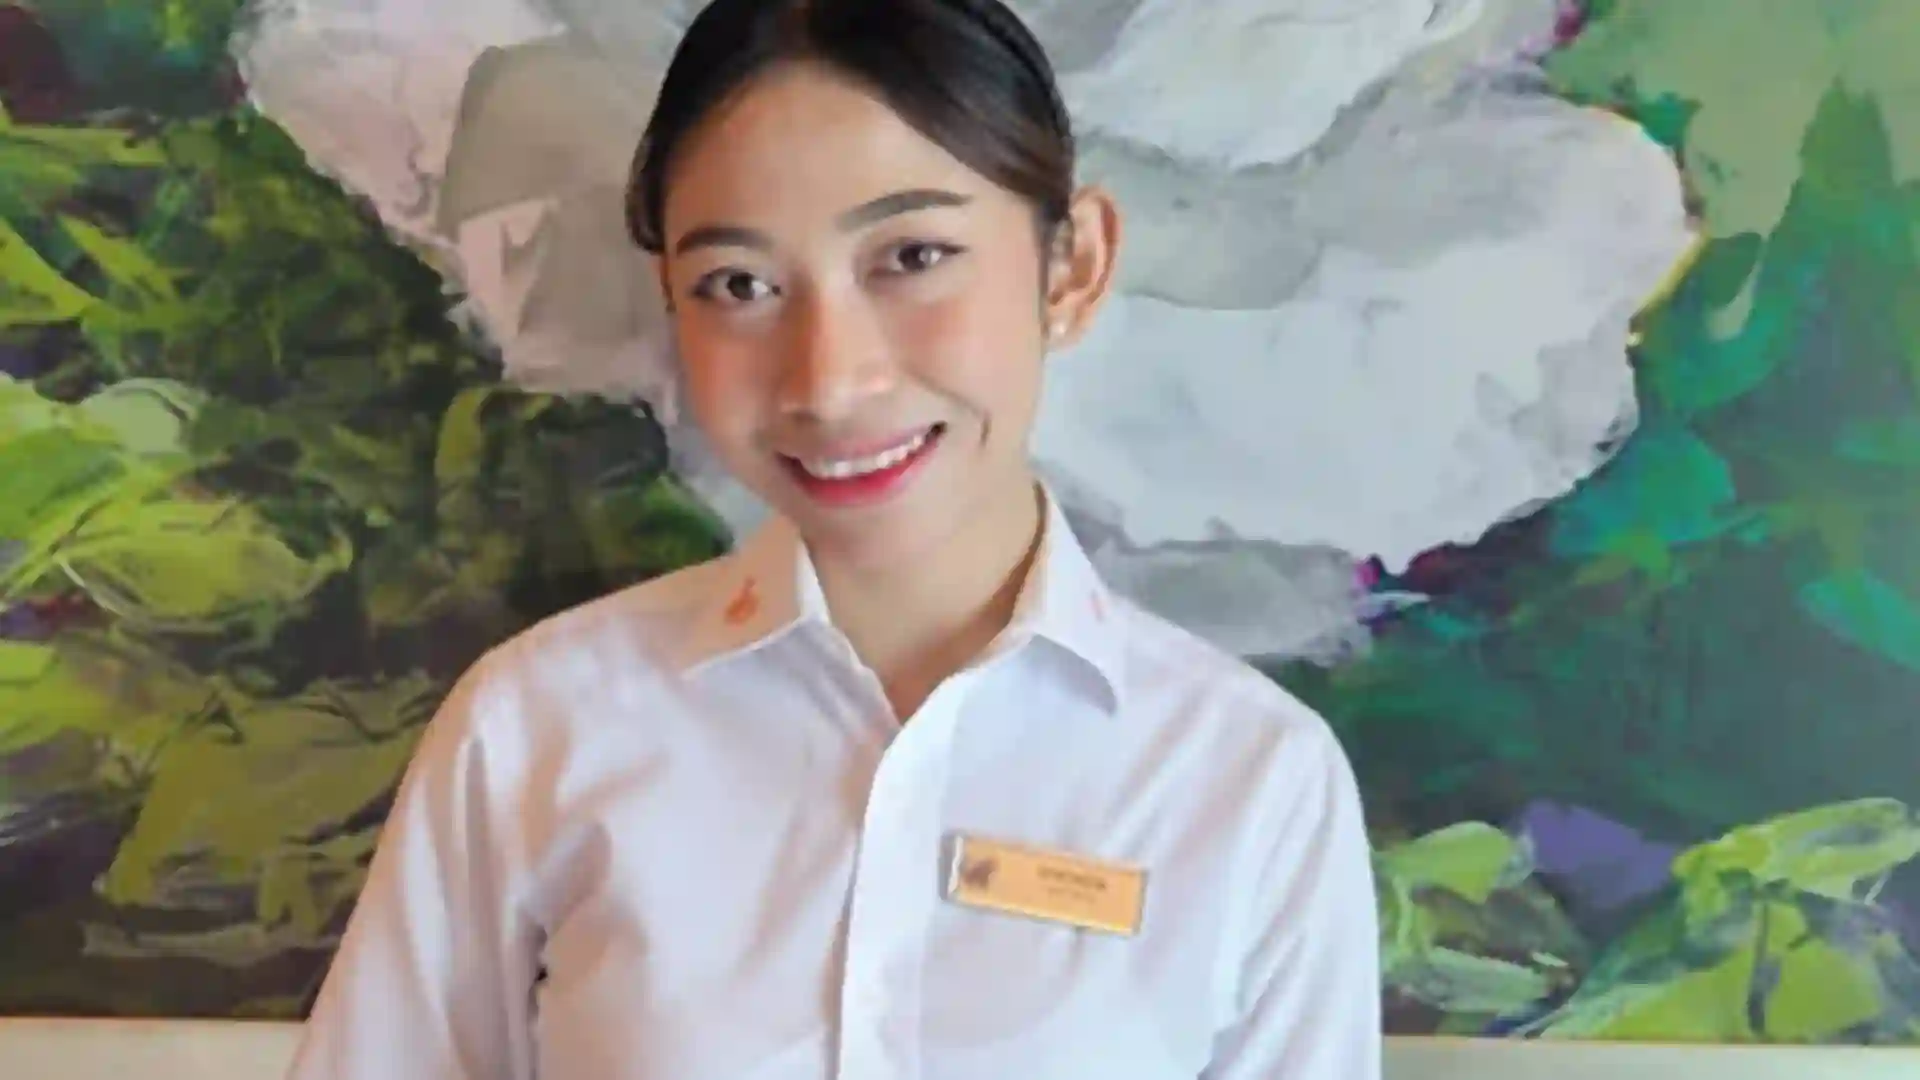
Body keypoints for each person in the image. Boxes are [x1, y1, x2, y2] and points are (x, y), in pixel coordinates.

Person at [284, 0, 1381, 1076]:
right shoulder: (533, 730)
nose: (830, 378)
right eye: (741, 285)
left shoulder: (1250, 782)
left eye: (911, 257)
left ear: (1073, 265)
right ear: (673, 300)